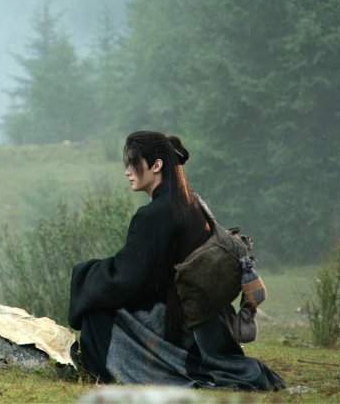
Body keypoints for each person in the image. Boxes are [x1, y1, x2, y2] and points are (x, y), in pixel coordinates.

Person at [68, 131, 284, 389]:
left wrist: (84, 273)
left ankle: (119, 369)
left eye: (134, 163)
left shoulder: (153, 215)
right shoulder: (192, 202)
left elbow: (128, 281)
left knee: (96, 309)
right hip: (206, 322)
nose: (127, 171)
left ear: (156, 165)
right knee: (101, 292)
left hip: (180, 325)